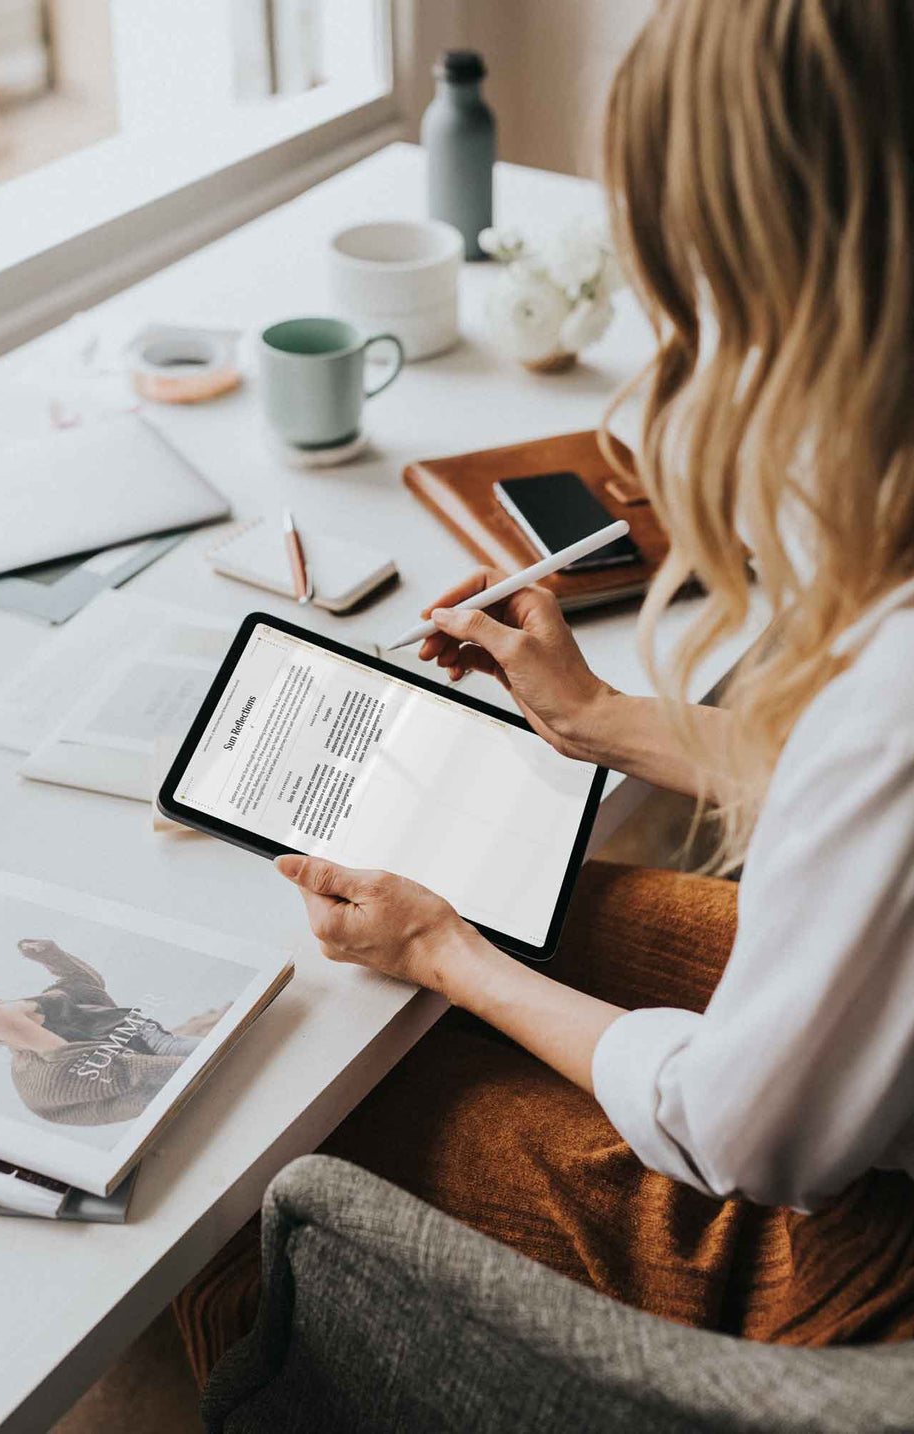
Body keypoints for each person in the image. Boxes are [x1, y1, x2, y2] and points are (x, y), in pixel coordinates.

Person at [175, 0, 914, 1382]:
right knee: (562, 912)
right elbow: (867, 796)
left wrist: (445, 956)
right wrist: (601, 720)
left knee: (293, 1146)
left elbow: (748, 1137)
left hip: (865, 1264)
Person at [0, 939, 211, 1126]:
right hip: (146, 1042)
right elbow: (58, 1049)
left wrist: (50, 956)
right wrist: (143, 1065)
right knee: (226, 1055)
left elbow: (83, 987)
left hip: (142, 1035)